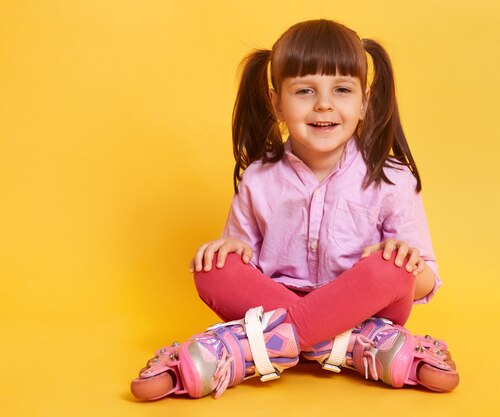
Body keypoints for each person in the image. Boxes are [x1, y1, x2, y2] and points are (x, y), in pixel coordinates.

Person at [130, 19, 459, 401]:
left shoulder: (393, 179)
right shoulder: (259, 179)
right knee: (212, 267)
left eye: (342, 90)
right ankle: (354, 344)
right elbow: (243, 260)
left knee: (393, 266)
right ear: (277, 104)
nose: (324, 104)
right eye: (304, 90)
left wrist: (405, 263)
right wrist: (230, 249)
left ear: (365, 102)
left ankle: (243, 348)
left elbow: (425, 281)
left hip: (364, 303)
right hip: (278, 299)